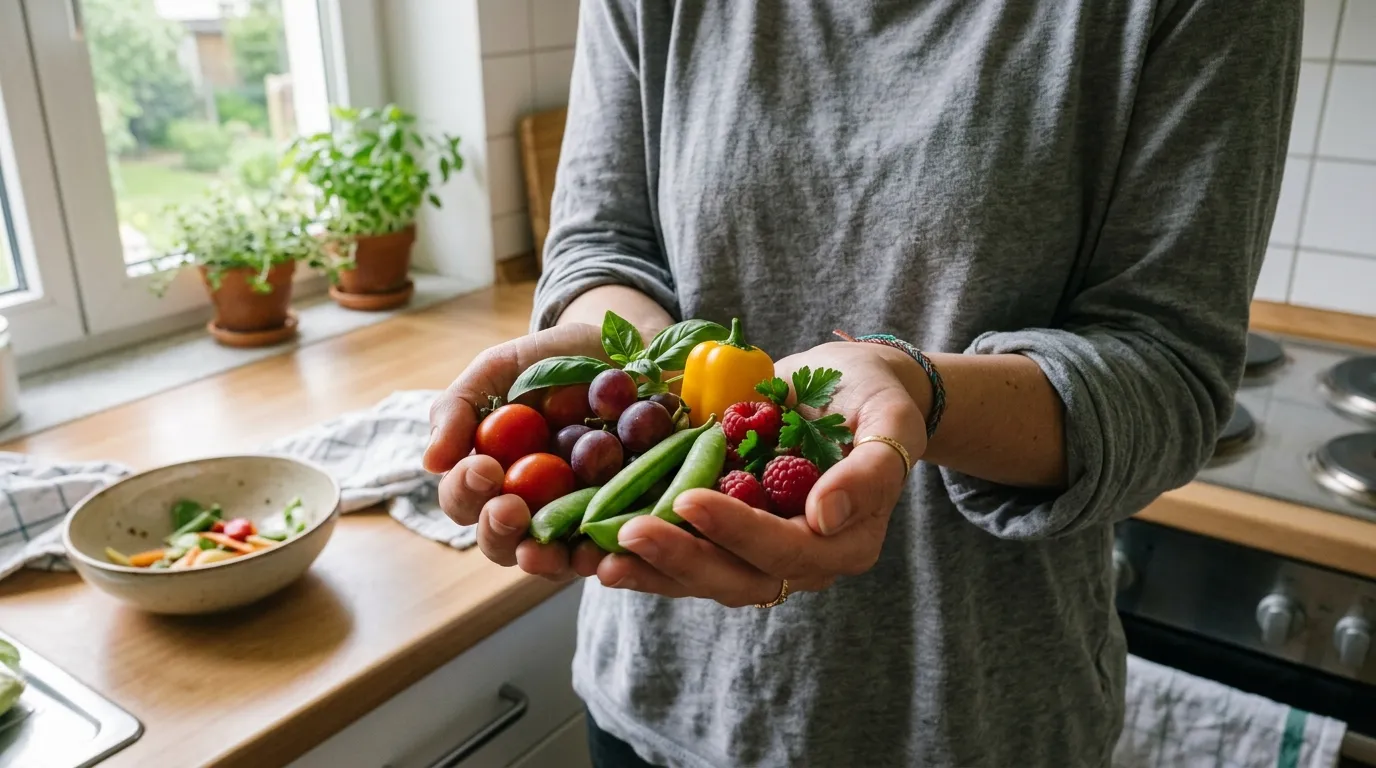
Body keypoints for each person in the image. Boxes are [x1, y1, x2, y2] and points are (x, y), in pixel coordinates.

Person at [424, 1, 1300, 765]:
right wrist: (644, 363)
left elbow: (1170, 372)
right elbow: (601, 243)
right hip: (657, 704)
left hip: (975, 722)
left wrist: (918, 391)